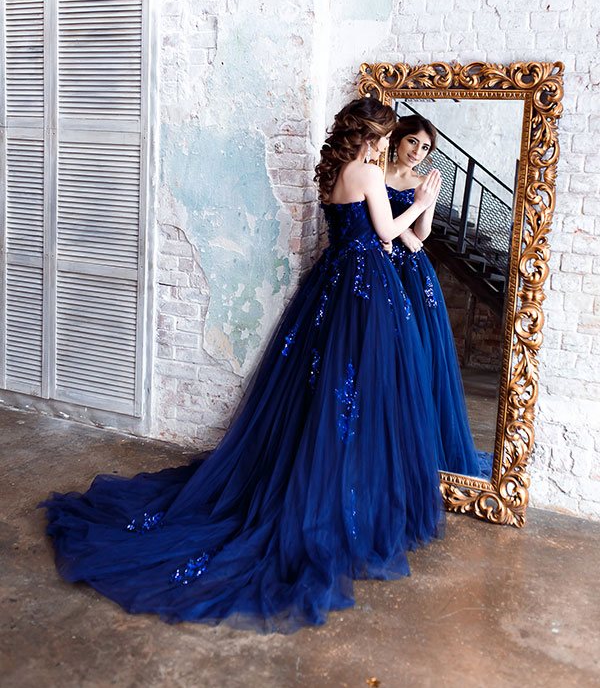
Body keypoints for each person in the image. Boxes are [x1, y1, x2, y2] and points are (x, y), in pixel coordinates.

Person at [40, 97, 445, 633]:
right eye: (388, 134)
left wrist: (414, 213)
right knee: (352, 395)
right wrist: (423, 201)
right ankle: (342, 501)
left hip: (334, 283)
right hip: (362, 290)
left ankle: (331, 489)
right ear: (372, 135)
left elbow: (373, 235)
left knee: (324, 393)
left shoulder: (336, 172)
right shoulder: (369, 172)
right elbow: (389, 235)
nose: (390, 144)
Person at [385, 114, 491, 478]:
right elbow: (370, 220)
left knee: (415, 351)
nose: (417, 151)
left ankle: (410, 442)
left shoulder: (423, 182)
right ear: (398, 139)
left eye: (425, 147)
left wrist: (425, 202)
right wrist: (401, 234)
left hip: (410, 272)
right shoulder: (375, 173)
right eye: (412, 141)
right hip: (379, 263)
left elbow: (423, 234)